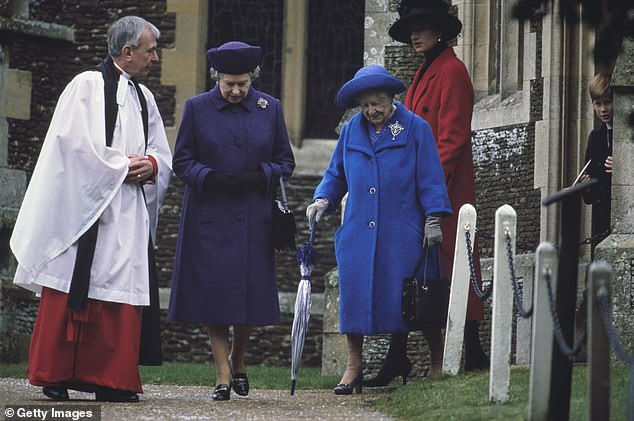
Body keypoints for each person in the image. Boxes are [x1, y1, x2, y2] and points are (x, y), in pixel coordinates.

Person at [10, 16, 172, 402]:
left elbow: (161, 153)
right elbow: (72, 145)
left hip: (126, 214)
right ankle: (55, 374)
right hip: (83, 213)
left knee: (118, 288)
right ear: (127, 51)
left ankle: (110, 380)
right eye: (150, 51)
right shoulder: (86, 86)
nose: (155, 59)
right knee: (72, 282)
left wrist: (151, 166)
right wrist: (121, 167)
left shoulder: (144, 98)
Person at [364, 0, 490, 387]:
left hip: (445, 192)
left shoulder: (452, 71)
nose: (414, 35)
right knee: (414, 267)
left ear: (439, 30)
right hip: (421, 188)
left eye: (422, 28)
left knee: (452, 269)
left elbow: (451, 139)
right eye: (410, 29)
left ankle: (472, 352)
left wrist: (428, 189)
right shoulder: (425, 72)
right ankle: (400, 355)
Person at [306, 64, 452, 395]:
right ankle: (354, 367)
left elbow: (430, 176)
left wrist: (433, 219)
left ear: (391, 100)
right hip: (358, 231)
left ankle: (437, 360)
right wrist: (322, 200)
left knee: (419, 298)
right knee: (354, 299)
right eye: (366, 105)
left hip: (402, 232)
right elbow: (336, 175)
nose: (372, 111)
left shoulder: (416, 129)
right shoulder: (350, 133)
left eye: (378, 104)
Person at [168, 41, 295, 401]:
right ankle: (223, 373)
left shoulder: (270, 108)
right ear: (217, 79)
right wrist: (210, 178)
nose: (237, 91)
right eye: (230, 85)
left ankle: (239, 360)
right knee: (215, 297)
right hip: (209, 217)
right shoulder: (196, 108)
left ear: (251, 78)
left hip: (254, 217)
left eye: (243, 84)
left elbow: (285, 161)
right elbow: (182, 160)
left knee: (248, 297)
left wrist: (262, 176)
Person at [580, 72, 613, 257]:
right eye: (598, 104)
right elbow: (590, 197)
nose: (603, 109)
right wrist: (585, 187)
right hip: (601, 222)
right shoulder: (595, 137)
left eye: (607, 102)